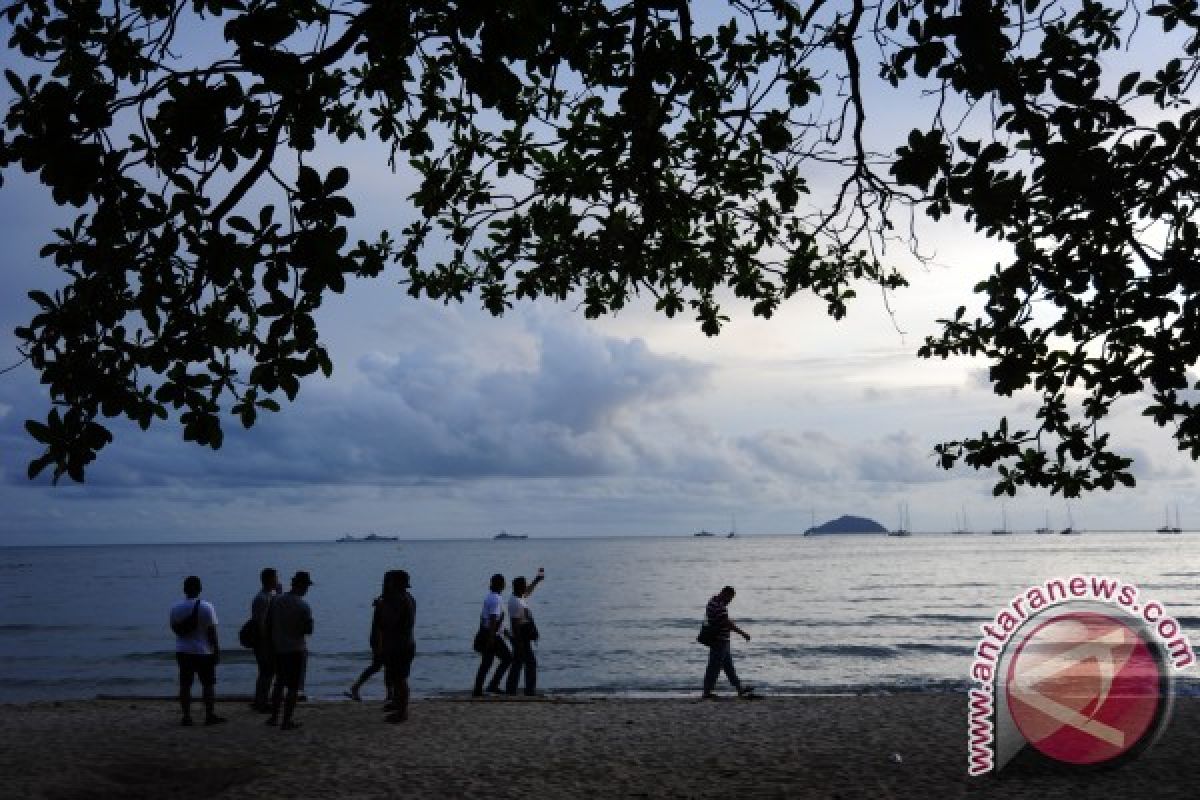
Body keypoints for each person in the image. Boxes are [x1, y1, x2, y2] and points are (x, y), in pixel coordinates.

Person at [169, 575, 224, 726]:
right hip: (203, 651)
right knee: (208, 684)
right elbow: (211, 631)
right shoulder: (207, 607)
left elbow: (175, 629)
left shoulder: (175, 608)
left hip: (182, 651)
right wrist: (217, 650)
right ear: (200, 589)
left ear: (184, 589)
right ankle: (209, 715)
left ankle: (186, 717)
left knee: (185, 685)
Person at [267, 571, 314, 730]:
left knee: (279, 684)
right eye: (307, 585)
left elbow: (269, 624)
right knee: (293, 688)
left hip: (279, 648)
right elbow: (308, 630)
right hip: (296, 649)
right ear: (302, 586)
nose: (307, 589)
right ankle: (286, 721)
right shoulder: (303, 606)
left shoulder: (277, 601)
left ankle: (274, 717)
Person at [376, 569, 417, 723]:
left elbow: (390, 622)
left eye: (391, 581)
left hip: (400, 645)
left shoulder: (398, 600)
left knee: (400, 679)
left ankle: (402, 712)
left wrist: (380, 609)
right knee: (397, 677)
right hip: (406, 643)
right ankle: (398, 705)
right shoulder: (408, 597)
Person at [344, 574, 390, 704]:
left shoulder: (383, 601)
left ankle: (388, 693)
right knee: (380, 666)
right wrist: (380, 644)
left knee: (381, 666)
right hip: (380, 639)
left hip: (379, 638)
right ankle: (357, 687)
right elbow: (380, 626)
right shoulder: (383, 603)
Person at [702, 585, 752, 699]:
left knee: (728, 667)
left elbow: (720, 621)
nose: (730, 601)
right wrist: (743, 634)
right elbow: (727, 624)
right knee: (714, 668)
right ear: (725, 594)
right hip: (719, 641)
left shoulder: (712, 601)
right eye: (730, 598)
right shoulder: (719, 607)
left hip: (721, 641)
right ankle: (707, 692)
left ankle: (739, 688)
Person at [505, 567, 544, 696]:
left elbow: (528, 592)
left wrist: (536, 580)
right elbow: (514, 623)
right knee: (530, 663)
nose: (526, 587)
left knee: (519, 663)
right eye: (524, 585)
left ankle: (512, 690)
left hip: (522, 637)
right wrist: (518, 641)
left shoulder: (518, 597)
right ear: (519, 587)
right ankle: (529, 691)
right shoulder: (516, 602)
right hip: (520, 637)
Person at [472, 573, 511, 697]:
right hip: (491, 635)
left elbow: (484, 618)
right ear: (501, 585)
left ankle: (479, 690)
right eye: (503, 583)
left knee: (487, 662)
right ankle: (492, 685)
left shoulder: (491, 597)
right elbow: (493, 619)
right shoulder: (495, 599)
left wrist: (505, 633)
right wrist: (491, 638)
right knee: (507, 658)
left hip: (487, 632)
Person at [250, 567, 279, 712]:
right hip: (263, 641)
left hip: (264, 640)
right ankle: (262, 702)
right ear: (269, 579)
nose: (278, 580)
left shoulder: (267, 596)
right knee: (267, 672)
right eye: (275, 577)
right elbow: (260, 622)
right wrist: (265, 642)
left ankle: (259, 700)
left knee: (265, 672)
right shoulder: (262, 598)